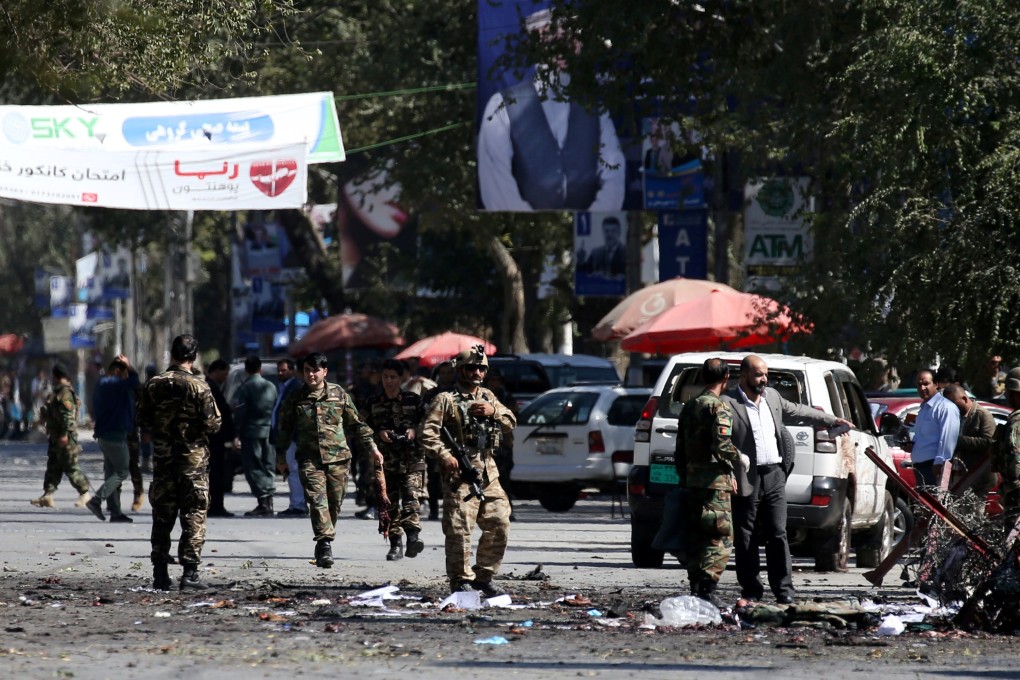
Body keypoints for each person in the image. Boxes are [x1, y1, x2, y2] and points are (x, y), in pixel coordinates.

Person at [722, 355, 849, 603]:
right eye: (759, 374)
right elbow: (720, 443)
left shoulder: (772, 397)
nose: (764, 379)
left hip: (774, 476)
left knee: (778, 533)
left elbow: (800, 410)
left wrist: (832, 420)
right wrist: (728, 472)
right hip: (746, 477)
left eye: (765, 374)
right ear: (744, 375)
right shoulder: (728, 403)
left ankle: (784, 591)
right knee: (746, 536)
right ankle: (751, 591)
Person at [477, 8, 625, 212]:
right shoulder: (501, 105)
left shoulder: (595, 106)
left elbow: (614, 176)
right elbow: (496, 187)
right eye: (552, 32)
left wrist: (587, 219)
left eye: (572, 33)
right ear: (536, 40)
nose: (563, 42)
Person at [419, 345, 516, 596]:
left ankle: (483, 576)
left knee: (500, 522)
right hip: (460, 474)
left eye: (481, 368)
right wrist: (445, 456)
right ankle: (460, 580)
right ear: (460, 370)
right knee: (460, 529)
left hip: (488, 472)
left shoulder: (488, 396)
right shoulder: (445, 399)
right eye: (471, 368)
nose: (477, 372)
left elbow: (510, 421)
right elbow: (427, 434)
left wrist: (493, 411)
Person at [275, 352, 385, 569]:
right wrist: (280, 458)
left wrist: (372, 448)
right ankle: (324, 543)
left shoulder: (339, 394)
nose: (311, 375)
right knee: (318, 501)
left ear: (324, 372)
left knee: (334, 503)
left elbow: (356, 424)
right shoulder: (295, 398)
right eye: (307, 370)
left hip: (338, 459)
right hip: (309, 459)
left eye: (315, 370)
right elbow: (284, 430)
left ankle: (324, 536)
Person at [138, 334, 222, 590]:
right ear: (194, 357)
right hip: (192, 463)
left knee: (162, 516)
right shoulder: (200, 386)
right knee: (194, 514)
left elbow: (143, 420)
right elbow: (214, 424)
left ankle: (160, 573)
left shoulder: (154, 384)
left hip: (164, 462)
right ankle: (190, 573)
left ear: (171, 355)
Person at [676, 358, 748, 607]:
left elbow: (680, 449)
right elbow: (722, 445)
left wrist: (684, 477)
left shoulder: (690, 406)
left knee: (696, 535)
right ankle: (707, 589)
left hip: (692, 482)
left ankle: (696, 586)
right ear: (726, 378)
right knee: (721, 537)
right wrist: (740, 458)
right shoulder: (718, 408)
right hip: (714, 486)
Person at [365, 359, 426, 561]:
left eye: (393, 377)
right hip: (385, 461)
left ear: (401, 378)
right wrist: (379, 434)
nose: (389, 381)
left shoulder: (414, 401)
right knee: (388, 503)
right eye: (385, 377)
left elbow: (429, 424)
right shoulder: (372, 403)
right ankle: (395, 544)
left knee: (411, 496)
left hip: (412, 459)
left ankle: (413, 537)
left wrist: (414, 431)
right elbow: (361, 429)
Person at [85, 355, 140, 523]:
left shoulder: (106, 384)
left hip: (108, 434)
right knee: (122, 471)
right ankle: (96, 500)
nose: (126, 376)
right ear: (117, 371)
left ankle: (115, 512)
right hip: (113, 435)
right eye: (124, 372)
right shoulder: (110, 383)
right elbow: (134, 381)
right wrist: (129, 366)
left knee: (111, 473)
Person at [30, 364, 93, 509]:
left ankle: (85, 493)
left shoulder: (65, 393)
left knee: (70, 466)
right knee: (53, 466)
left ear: (57, 376)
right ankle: (48, 495)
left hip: (65, 438)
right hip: (55, 436)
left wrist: (65, 435)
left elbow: (68, 418)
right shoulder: (57, 392)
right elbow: (51, 411)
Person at [232, 355, 278, 517]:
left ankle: (263, 502)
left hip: (251, 432)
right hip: (269, 431)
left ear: (246, 369)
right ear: (260, 369)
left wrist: (236, 433)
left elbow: (241, 412)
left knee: (253, 467)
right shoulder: (272, 386)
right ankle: (269, 500)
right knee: (268, 466)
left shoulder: (245, 388)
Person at [943, 384, 997, 502]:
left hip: (977, 479)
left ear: (964, 399)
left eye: (953, 403)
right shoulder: (955, 417)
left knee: (975, 516)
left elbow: (989, 443)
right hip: (958, 479)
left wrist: (959, 440)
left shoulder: (982, 415)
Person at [908, 368, 961, 488]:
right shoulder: (924, 409)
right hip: (920, 467)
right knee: (922, 506)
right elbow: (923, 437)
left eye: (926, 384)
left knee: (933, 505)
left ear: (936, 384)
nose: (922, 388)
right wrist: (912, 445)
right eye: (919, 385)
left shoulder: (945, 407)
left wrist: (939, 465)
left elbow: (948, 440)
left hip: (934, 468)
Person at [272, 358, 308, 517]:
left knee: (294, 470)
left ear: (292, 371)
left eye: (284, 370)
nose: (280, 373)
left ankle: (298, 505)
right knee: (292, 471)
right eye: (279, 370)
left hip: (294, 437)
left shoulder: (296, 387)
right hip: (288, 437)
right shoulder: (284, 387)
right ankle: (297, 503)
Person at [422, 360, 457, 520]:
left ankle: (454, 509)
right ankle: (434, 508)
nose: (445, 376)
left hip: (455, 440)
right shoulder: (431, 394)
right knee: (433, 477)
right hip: (435, 440)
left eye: (449, 373)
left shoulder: (458, 393)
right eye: (442, 373)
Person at [205, 359, 237, 518]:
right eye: (224, 374)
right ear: (216, 371)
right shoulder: (209, 386)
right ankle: (215, 506)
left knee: (216, 472)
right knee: (215, 473)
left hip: (215, 437)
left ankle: (216, 505)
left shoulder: (212, 386)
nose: (225, 378)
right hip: (213, 438)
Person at [994, 368, 1020, 524]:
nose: (1006, 395)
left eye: (1009, 392)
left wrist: (1008, 489)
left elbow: (1015, 457)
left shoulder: (1016, 422)